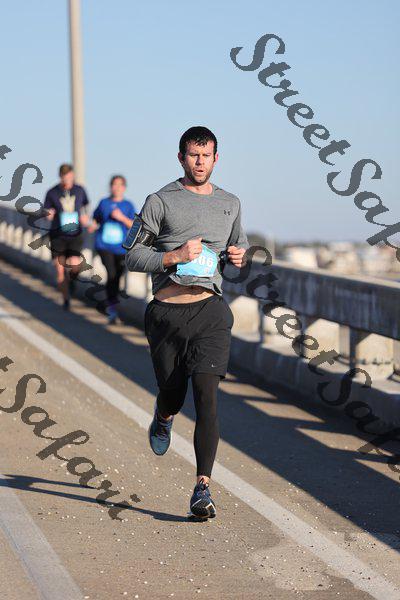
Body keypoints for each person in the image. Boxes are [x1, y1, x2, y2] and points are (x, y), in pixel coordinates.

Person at [125, 126, 249, 519]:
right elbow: (131, 255)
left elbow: (238, 249)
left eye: (206, 155)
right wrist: (174, 256)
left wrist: (239, 257)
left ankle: (202, 489)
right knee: (173, 393)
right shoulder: (160, 201)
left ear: (216, 158)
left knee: (207, 397)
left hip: (210, 312)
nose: (200, 162)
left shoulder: (230, 203)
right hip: (167, 314)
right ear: (181, 157)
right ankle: (163, 417)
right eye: (193, 155)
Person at [90, 175, 136, 324]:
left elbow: (134, 225)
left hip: (121, 248)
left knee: (117, 277)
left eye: (119, 185)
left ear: (124, 188)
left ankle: (112, 305)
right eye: (114, 184)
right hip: (104, 246)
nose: (116, 188)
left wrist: (121, 217)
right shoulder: (104, 203)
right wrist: (91, 225)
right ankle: (112, 309)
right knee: (111, 274)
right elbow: (96, 219)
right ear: (110, 187)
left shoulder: (128, 205)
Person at [44, 164, 89, 310]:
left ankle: (72, 281)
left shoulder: (80, 190)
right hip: (58, 235)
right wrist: (48, 214)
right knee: (60, 271)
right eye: (64, 176)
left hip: (75, 234)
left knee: (75, 265)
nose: (67, 179)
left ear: (72, 175)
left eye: (69, 176)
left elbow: (86, 205)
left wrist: (85, 216)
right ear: (60, 176)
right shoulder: (52, 192)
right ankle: (66, 299)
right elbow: (46, 210)